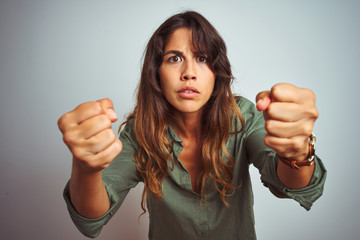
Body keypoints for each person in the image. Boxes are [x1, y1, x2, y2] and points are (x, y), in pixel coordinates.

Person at [58, 11, 326, 239]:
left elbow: (295, 185)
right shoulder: (141, 132)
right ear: (156, 73)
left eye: (202, 58)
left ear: (216, 71)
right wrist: (85, 168)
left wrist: (297, 152)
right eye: (174, 58)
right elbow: (91, 216)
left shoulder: (243, 116)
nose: (189, 72)